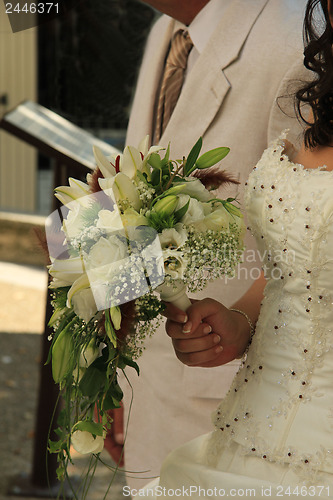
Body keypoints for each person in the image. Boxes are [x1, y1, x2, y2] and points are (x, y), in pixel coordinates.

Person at [110, 0, 309, 487]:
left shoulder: (295, 42)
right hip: (150, 393)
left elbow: (312, 237)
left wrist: (240, 320)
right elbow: (133, 204)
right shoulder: (167, 32)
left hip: (230, 409)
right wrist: (113, 376)